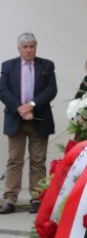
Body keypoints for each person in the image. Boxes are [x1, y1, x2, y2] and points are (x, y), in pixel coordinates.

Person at [0, 32, 57, 215]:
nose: (29, 50)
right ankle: (10, 199)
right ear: (19, 49)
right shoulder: (8, 66)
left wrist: (31, 105)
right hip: (15, 119)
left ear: (36, 47)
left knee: (38, 161)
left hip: (39, 119)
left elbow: (51, 90)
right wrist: (20, 108)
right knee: (14, 160)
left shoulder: (46, 65)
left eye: (32, 46)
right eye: (25, 47)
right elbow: (3, 90)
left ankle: (37, 198)